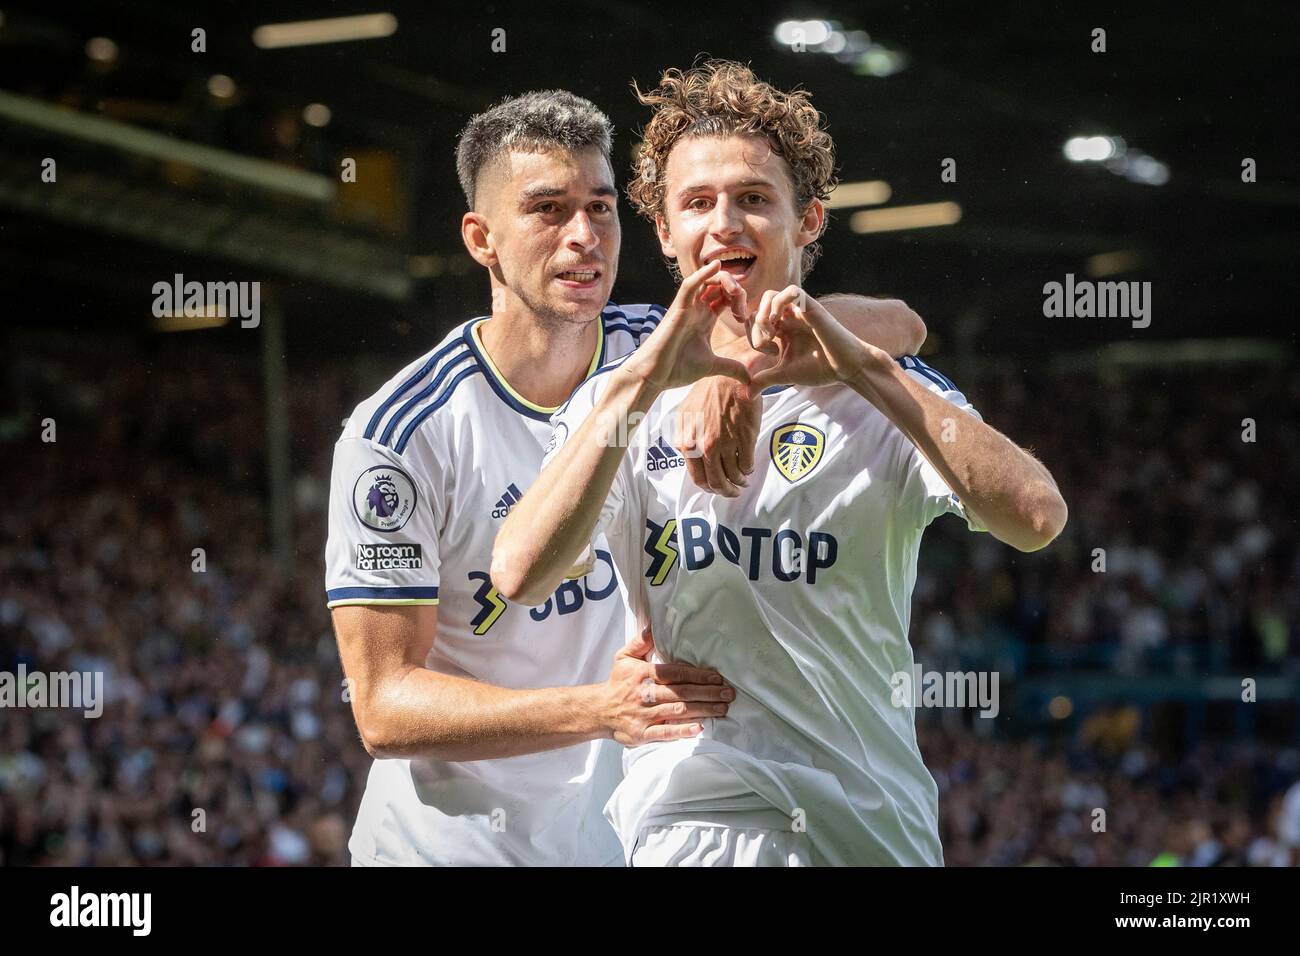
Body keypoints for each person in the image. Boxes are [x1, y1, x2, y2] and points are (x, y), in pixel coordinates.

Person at [326, 89, 924, 865]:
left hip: (613, 843)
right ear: (481, 239)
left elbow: (900, 324)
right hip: (446, 851)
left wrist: (733, 373)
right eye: (548, 210)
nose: (583, 237)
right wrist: (599, 709)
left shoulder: (664, 347)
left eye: (600, 209)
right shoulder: (401, 436)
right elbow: (383, 706)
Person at [493, 62, 1068, 866]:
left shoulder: (879, 385)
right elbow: (519, 571)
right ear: (663, 230)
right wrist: (659, 377)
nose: (724, 223)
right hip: (695, 819)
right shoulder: (622, 397)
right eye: (697, 203)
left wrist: (850, 368)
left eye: (754, 199)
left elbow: (1037, 517)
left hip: (871, 829)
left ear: (809, 222)